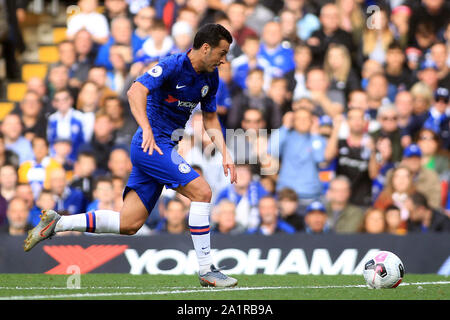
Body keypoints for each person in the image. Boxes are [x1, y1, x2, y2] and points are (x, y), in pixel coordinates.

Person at [24, 24, 238, 288]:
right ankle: (207, 270)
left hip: (162, 147)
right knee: (202, 192)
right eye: (222, 52)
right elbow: (136, 90)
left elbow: (211, 118)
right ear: (206, 48)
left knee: (129, 223)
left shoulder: (210, 77)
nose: (224, 59)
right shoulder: (172, 65)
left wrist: (226, 152)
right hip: (151, 145)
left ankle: (57, 223)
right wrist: (147, 128)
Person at [270, 107, 326, 212]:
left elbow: (320, 158)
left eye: (306, 118)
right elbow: (271, 149)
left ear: (312, 121)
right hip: (286, 194)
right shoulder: (286, 136)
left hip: (311, 195)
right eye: (299, 118)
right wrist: (285, 126)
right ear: (293, 121)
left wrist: (315, 133)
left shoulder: (317, 138)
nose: (303, 121)